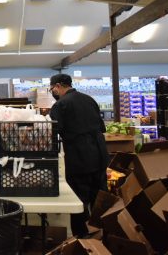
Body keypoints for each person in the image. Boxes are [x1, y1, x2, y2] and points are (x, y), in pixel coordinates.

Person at [49, 73, 109, 238]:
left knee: (79, 199)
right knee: (99, 197)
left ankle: (82, 238)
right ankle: (104, 233)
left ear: (58, 86)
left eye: (52, 89)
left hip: (79, 158)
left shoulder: (61, 105)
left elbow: (53, 134)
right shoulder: (89, 99)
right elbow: (101, 128)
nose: (52, 92)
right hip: (100, 155)